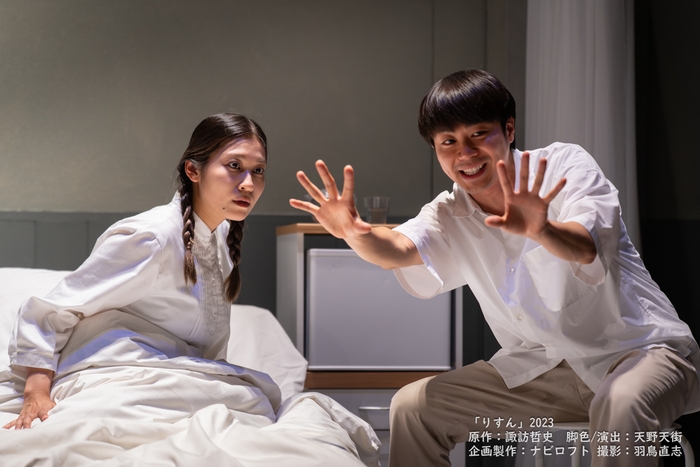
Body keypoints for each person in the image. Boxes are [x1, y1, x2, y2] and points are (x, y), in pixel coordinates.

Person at [290, 69, 700, 466]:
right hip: (547, 371)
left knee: (621, 404)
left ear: (509, 128)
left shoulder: (562, 166)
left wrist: (542, 230)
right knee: (414, 407)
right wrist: (354, 233)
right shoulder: (448, 212)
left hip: (638, 353)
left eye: (478, 134)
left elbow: (588, 244)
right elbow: (397, 248)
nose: (465, 154)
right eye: (448, 141)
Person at [5, 112, 270, 430]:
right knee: (247, 398)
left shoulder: (220, 240)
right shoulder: (151, 237)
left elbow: (210, 350)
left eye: (258, 170)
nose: (248, 184)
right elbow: (52, 310)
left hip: (178, 375)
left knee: (253, 397)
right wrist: (36, 392)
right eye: (234, 166)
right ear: (193, 170)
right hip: (118, 369)